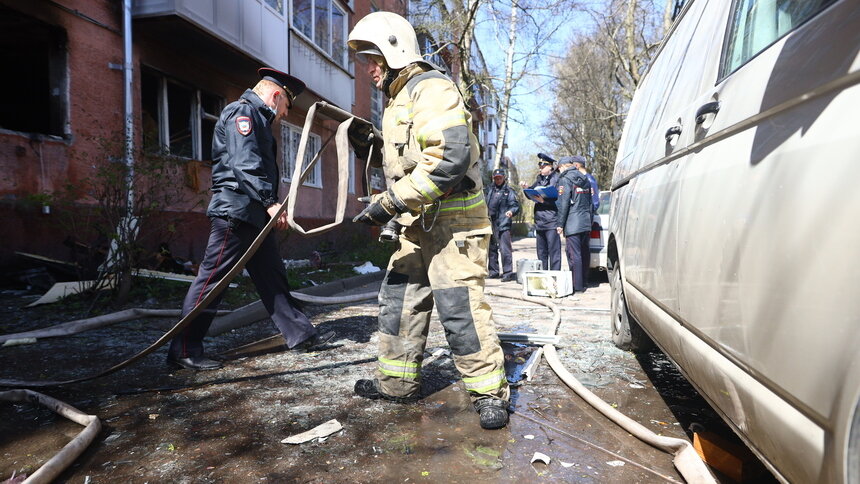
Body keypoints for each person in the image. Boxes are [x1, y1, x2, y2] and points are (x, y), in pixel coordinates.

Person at [347, 11, 510, 430]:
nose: (368, 70)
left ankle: (489, 391)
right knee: (400, 301)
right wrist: (376, 143)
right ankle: (396, 385)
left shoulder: (432, 88)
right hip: (417, 223)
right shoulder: (401, 99)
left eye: (373, 60)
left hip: (454, 222)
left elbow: (449, 159)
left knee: (459, 308)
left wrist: (389, 203)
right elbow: (416, 153)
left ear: (395, 52)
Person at [167, 68, 334, 371]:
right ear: (275, 95)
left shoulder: (258, 119)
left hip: (253, 214)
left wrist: (268, 208)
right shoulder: (241, 113)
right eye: (286, 106)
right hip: (236, 213)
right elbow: (245, 163)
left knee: (272, 276)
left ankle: (300, 334)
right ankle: (184, 350)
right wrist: (271, 203)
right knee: (212, 282)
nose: (284, 114)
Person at [556, 156, 593, 293]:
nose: (559, 171)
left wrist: (560, 223)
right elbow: (590, 203)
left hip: (572, 223)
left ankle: (577, 286)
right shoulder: (586, 179)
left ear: (563, 166)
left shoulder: (565, 179)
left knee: (574, 255)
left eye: (559, 169)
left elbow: (563, 203)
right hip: (585, 221)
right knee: (584, 252)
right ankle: (584, 281)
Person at [521, 157, 561, 271]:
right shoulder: (539, 179)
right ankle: (543, 277)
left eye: (543, 166)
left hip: (551, 220)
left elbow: (559, 200)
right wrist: (526, 188)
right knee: (541, 252)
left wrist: (544, 201)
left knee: (554, 253)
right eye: (540, 166)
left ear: (550, 167)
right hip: (540, 221)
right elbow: (531, 194)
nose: (540, 169)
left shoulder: (556, 179)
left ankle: (554, 278)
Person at [485, 168, 520, 282]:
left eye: (500, 178)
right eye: (496, 178)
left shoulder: (509, 191)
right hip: (490, 222)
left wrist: (511, 212)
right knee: (492, 249)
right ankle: (493, 272)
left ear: (504, 178)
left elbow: (515, 206)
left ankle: (507, 273)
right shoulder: (489, 189)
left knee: (505, 249)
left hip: (503, 222)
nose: (498, 180)